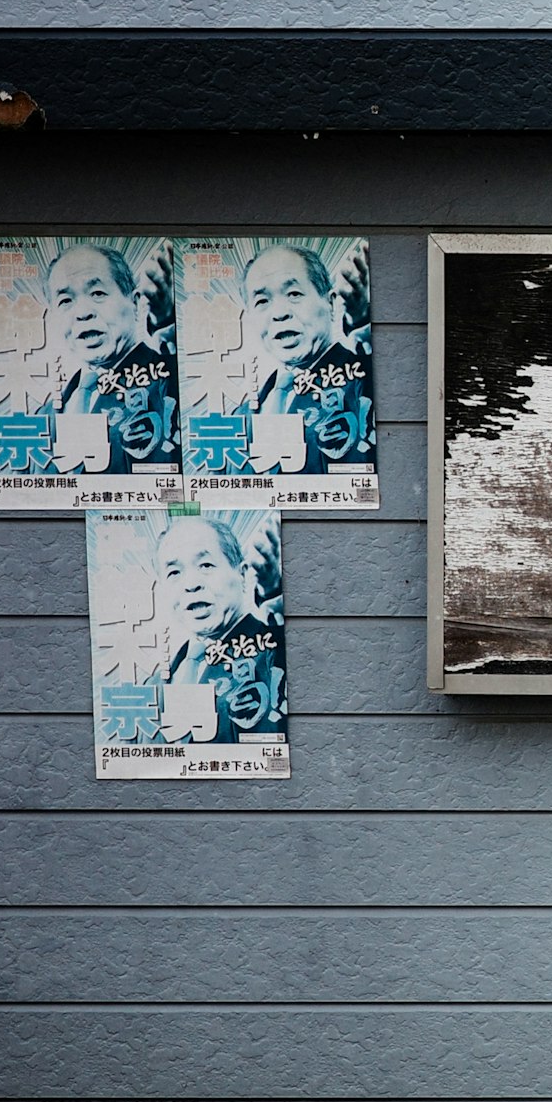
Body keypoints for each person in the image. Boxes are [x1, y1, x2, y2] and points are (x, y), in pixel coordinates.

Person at [152, 510, 286, 742]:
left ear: (242, 574)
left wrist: (273, 592)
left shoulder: (272, 652)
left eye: (206, 565)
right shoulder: (156, 681)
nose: (191, 584)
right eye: (174, 572)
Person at [239, 242, 374, 473]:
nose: (280, 313)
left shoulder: (362, 379)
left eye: (294, 294)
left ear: (331, 303)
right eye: (262, 301)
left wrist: (361, 321)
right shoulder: (242, 414)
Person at [42, 242, 174, 472]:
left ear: (135, 303)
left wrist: (166, 320)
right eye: (65, 301)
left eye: (97, 293)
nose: (83, 312)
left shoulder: (168, 380)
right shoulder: (47, 413)